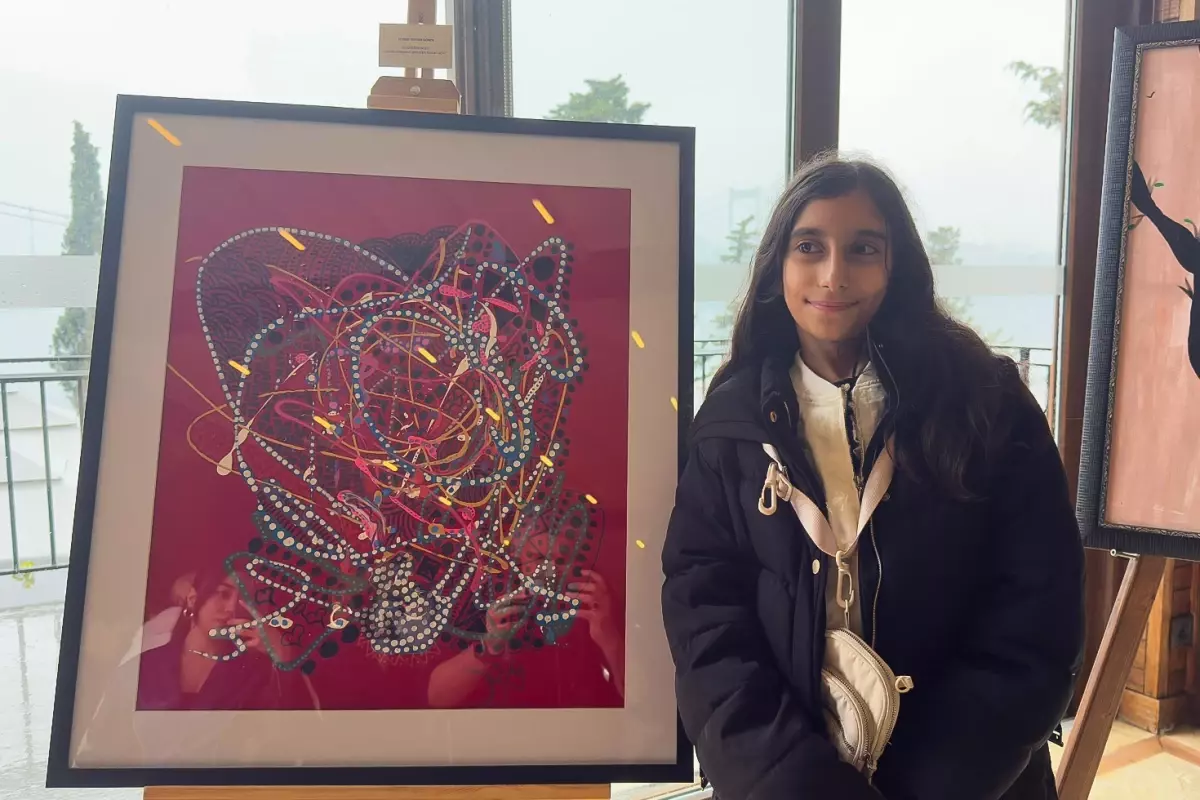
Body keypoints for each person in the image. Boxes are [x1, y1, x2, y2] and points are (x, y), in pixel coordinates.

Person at [661, 154, 1084, 800]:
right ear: (778, 266)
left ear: (896, 265)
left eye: (863, 249)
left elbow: (1035, 618)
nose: (834, 274)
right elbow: (708, 632)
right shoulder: (730, 428)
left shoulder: (985, 404)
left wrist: (939, 784)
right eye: (810, 246)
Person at [137, 566, 285, 710]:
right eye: (223, 594)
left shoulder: (254, 674)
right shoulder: (145, 666)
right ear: (192, 599)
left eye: (243, 599)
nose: (232, 608)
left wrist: (281, 651)